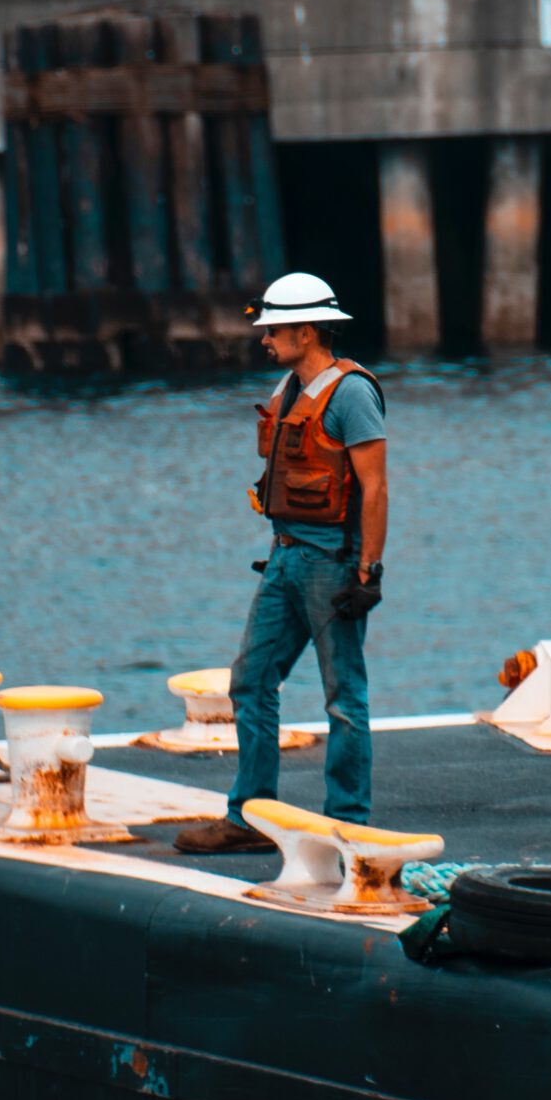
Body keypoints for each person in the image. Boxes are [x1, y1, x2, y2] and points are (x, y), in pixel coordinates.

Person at [175, 272, 388, 854]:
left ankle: (349, 825)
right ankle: (250, 818)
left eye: (274, 330)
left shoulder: (352, 395)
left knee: (344, 698)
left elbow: (375, 487)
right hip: (284, 557)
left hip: (332, 565)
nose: (265, 339)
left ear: (307, 330)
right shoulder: (289, 388)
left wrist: (368, 572)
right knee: (251, 680)